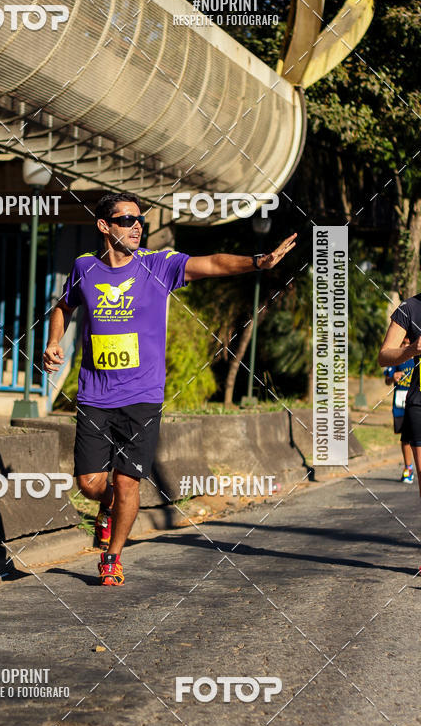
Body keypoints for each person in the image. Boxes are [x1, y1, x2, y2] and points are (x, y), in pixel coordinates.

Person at [43, 192, 297, 585]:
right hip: (95, 394)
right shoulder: (85, 268)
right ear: (104, 226)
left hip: (142, 397)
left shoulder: (157, 265)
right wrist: (54, 340)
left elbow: (210, 263)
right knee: (91, 484)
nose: (136, 225)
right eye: (126, 219)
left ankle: (112, 558)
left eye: (139, 219)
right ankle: (107, 507)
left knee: (128, 482)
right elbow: (63, 306)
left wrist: (257, 262)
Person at [379, 298, 421, 500]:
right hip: (413, 401)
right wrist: (412, 349)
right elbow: (384, 357)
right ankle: (408, 468)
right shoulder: (409, 309)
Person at [383, 338, 415, 482]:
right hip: (401, 403)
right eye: (403, 343)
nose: (406, 346)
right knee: (405, 437)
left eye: (409, 343)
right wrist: (392, 378)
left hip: (416, 402)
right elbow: (387, 379)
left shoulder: (418, 359)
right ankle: (408, 468)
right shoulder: (396, 359)